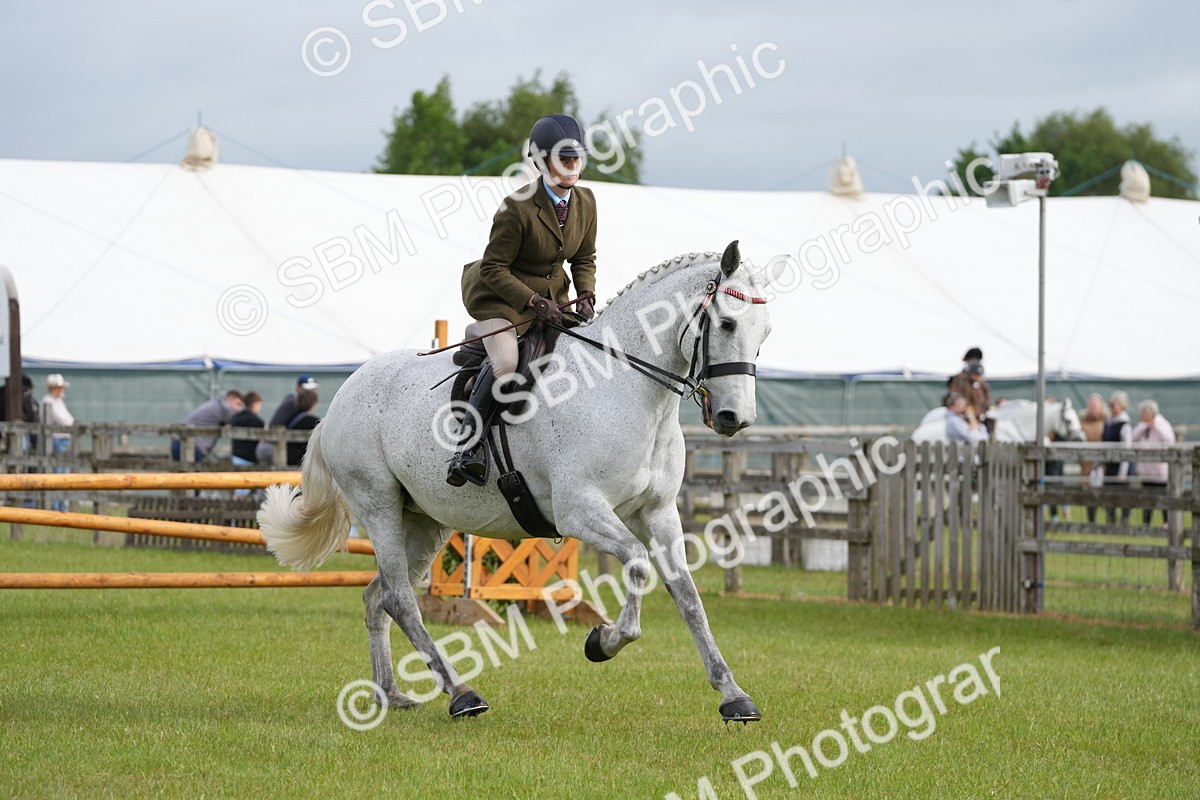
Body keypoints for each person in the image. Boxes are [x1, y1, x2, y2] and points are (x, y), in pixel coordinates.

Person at [446, 113, 598, 487]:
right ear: (542, 162)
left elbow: (584, 258)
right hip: (501, 295)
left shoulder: (587, 201)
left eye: (578, 158)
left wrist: (585, 293)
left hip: (552, 298)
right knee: (508, 363)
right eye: (565, 159)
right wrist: (531, 301)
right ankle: (467, 449)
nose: (573, 166)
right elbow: (493, 268)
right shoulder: (515, 207)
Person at [1131, 399, 1176, 526]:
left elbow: (1169, 440)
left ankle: (1167, 523)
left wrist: (1154, 425)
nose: (1141, 415)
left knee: (1163, 497)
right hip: (1146, 471)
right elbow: (1133, 437)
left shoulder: (1162, 424)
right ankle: (1146, 522)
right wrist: (1145, 426)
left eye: (1143, 412)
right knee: (1146, 498)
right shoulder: (1142, 425)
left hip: (1160, 472)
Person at [258, 375, 319, 464]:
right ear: (298, 387)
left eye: (312, 389)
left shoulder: (293, 400)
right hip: (278, 446)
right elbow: (277, 423)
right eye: (307, 389)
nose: (310, 391)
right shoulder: (292, 401)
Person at [172, 390, 244, 462]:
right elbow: (240, 422)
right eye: (237, 404)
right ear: (229, 400)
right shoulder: (224, 408)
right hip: (193, 446)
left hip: (179, 442)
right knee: (193, 471)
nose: (238, 409)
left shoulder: (216, 404)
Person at [41, 374, 75, 512]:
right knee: (58, 472)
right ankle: (56, 507)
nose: (61, 390)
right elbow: (64, 420)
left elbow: (67, 418)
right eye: (59, 387)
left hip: (62, 438)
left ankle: (62, 506)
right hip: (56, 439)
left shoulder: (57, 401)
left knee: (63, 472)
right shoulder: (48, 401)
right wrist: (73, 425)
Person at [1102, 390, 1133, 525]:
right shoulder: (1109, 422)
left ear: (1121, 406)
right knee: (1109, 494)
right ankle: (1111, 520)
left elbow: (1127, 449)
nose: (1111, 408)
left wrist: (1123, 472)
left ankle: (1125, 520)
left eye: (1113, 405)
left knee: (1123, 495)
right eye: (1110, 405)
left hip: (1121, 466)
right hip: (1110, 465)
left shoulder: (1124, 424)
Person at [1078, 393, 1107, 522]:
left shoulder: (1107, 421)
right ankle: (1091, 522)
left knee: (1106, 494)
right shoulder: (1081, 422)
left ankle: (1111, 522)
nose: (1093, 407)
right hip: (1086, 464)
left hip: (1103, 464)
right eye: (1091, 405)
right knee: (1089, 495)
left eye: (1096, 405)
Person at [947, 347, 991, 426]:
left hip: (980, 413)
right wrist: (969, 412)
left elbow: (986, 397)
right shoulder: (959, 378)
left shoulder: (981, 379)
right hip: (964, 413)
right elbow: (957, 397)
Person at [285, 388, 320, 467]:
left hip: (287, 457)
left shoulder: (290, 417)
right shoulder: (313, 422)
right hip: (301, 460)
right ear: (313, 403)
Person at [230, 392, 264, 467]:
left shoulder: (235, 418)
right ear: (255, 404)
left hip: (235, 457)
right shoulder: (257, 421)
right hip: (250, 458)